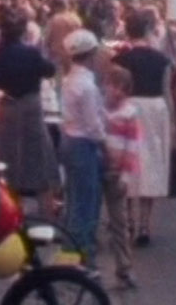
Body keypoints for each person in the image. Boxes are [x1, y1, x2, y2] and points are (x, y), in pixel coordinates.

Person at [0, 5, 60, 220]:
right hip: (31, 107)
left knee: (9, 163)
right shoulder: (30, 52)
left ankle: (13, 218)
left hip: (8, 106)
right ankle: (48, 216)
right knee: (40, 160)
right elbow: (50, 69)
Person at [112, 12, 171, 247]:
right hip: (156, 108)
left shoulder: (119, 59)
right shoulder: (162, 59)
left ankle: (129, 221)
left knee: (129, 163)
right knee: (153, 163)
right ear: (147, 31)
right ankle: (146, 223)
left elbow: (114, 92)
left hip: (129, 107)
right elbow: (167, 92)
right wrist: (173, 124)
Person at [61, 28, 107, 272]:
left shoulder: (70, 79)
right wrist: (105, 143)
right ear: (91, 54)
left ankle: (72, 249)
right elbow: (93, 124)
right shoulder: (86, 85)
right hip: (83, 144)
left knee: (76, 197)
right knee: (85, 201)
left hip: (70, 139)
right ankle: (80, 253)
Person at [102, 65, 140, 288]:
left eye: (121, 88)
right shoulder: (98, 108)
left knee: (120, 222)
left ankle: (124, 267)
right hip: (98, 169)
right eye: (112, 85)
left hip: (117, 173)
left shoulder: (129, 113)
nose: (115, 91)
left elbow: (133, 146)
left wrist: (127, 175)